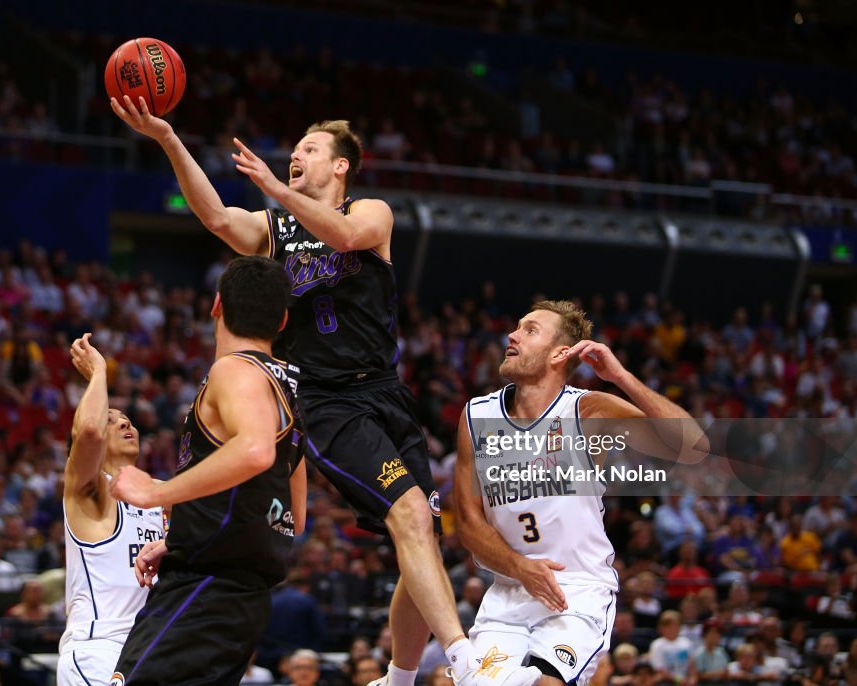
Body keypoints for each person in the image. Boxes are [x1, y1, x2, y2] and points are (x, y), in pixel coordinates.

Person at [111, 100, 539, 686]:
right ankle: (465, 659)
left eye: (309, 150)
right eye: (293, 151)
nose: (294, 156)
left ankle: (398, 678)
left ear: (340, 167)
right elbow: (214, 216)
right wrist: (165, 137)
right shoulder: (276, 229)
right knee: (410, 514)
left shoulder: (372, 212)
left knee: (425, 537)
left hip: (385, 393)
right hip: (322, 398)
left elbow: (343, 233)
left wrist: (278, 192)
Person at [455, 301, 706, 686]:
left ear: (560, 353)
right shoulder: (476, 416)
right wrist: (518, 566)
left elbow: (694, 447)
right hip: (507, 591)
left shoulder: (588, 412)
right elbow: (469, 525)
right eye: (517, 327)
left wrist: (620, 376)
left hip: (576, 591)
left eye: (530, 330)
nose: (512, 335)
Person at [107, 256, 308, 685]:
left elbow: (254, 453)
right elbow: (294, 514)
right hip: (240, 597)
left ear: (216, 305)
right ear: (282, 320)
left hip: (205, 590)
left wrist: (153, 493)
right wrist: (185, 533)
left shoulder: (235, 370)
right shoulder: (289, 391)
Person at [55, 332, 166, 686]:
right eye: (111, 418)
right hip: (99, 649)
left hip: (151, 649)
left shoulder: (160, 494)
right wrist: (99, 372)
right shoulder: (90, 490)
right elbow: (88, 431)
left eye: (127, 418)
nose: (124, 422)